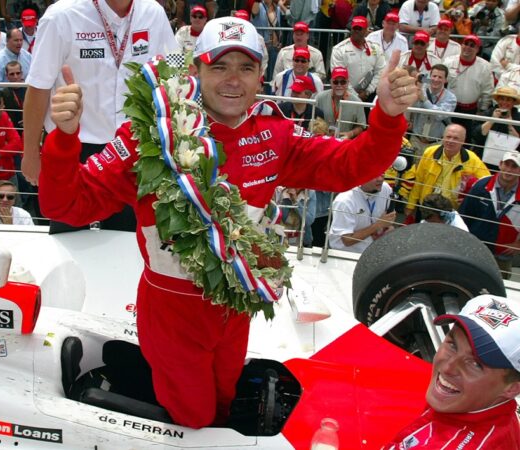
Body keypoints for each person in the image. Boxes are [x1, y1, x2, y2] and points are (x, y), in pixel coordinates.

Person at [38, 17, 418, 428]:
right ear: (196, 71)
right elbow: (66, 206)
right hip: (171, 313)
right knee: (195, 419)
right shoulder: (150, 136)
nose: (232, 80)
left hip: (235, 311)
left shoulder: (274, 133)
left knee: (223, 404)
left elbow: (350, 166)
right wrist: (64, 138)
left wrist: (387, 115)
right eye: (219, 67)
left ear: (261, 76)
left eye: (246, 67)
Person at [21, 0, 177, 186]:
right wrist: (30, 153)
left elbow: (173, 73)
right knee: (70, 213)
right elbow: (38, 87)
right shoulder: (60, 16)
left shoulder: (154, 12)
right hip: (76, 148)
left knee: (132, 216)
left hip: (135, 149)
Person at [383, 294, 520, 449]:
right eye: (453, 345)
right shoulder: (483, 407)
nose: (448, 368)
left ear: (512, 388)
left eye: (475, 364)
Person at [405, 124, 490, 219]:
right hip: (427, 207)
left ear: (463, 141)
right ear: (443, 137)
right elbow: (418, 181)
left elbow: (487, 183)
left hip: (453, 212)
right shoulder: (429, 152)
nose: (450, 141)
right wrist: (410, 206)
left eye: (456, 138)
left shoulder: (472, 159)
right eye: (448, 137)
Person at [459, 151, 520, 279]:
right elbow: (463, 217)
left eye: (514, 167)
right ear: (500, 164)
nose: (508, 170)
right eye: (506, 164)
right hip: (474, 250)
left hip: (502, 256)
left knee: (498, 292)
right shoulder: (481, 186)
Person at [328, 173, 395, 253]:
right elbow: (347, 240)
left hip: (371, 250)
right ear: (361, 176)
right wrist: (378, 225)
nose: (380, 179)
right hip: (346, 254)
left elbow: (387, 219)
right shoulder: (345, 201)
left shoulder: (385, 188)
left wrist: (388, 227)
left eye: (382, 173)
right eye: (375, 175)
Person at [330, 16, 385, 103]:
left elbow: (380, 71)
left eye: (359, 28)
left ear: (366, 31)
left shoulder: (376, 48)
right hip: (345, 95)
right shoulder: (339, 49)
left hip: (370, 96)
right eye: (354, 28)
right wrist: (355, 96)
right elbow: (339, 75)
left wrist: (368, 91)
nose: (356, 31)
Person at [444, 35, 493, 124]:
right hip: (449, 107)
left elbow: (487, 91)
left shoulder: (485, 67)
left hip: (471, 110)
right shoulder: (448, 62)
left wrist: (482, 110)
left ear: (477, 49)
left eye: (472, 45)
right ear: (461, 45)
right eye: (466, 44)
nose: (468, 47)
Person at [409, 64, 456, 153]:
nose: (436, 79)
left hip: (436, 143)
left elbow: (440, 115)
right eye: (434, 76)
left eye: (440, 77)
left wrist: (424, 100)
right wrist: (417, 87)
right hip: (416, 140)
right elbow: (413, 108)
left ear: (445, 80)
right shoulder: (421, 91)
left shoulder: (451, 98)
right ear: (429, 78)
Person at [314, 66, 367, 139]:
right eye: (336, 82)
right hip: (323, 141)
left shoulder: (357, 102)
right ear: (331, 82)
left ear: (348, 83)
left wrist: (350, 134)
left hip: (344, 143)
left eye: (343, 82)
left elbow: (361, 126)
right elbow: (311, 119)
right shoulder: (319, 97)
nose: (339, 85)